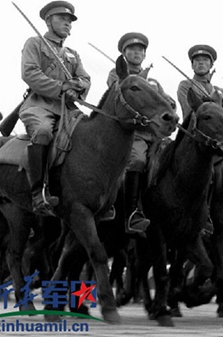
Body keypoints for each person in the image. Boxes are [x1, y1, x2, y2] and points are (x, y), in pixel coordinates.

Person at [19, 1, 90, 217]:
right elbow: (29, 73)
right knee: (42, 131)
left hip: (67, 109)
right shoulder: (35, 43)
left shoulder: (72, 53)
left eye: (69, 21)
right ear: (48, 21)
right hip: (40, 105)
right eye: (62, 19)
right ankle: (38, 193)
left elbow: (85, 78)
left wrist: (77, 89)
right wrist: (61, 87)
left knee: (92, 132)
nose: (67, 24)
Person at [106, 32, 175, 235]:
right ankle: (132, 214)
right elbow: (119, 97)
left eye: (140, 50)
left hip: (155, 136)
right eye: (132, 49)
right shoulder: (118, 74)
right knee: (137, 161)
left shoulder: (151, 81)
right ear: (124, 53)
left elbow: (168, 102)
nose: (137, 53)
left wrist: (165, 104)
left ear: (144, 55)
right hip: (132, 133)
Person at [176, 44, 223, 125]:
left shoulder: (219, 91)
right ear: (192, 65)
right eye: (197, 60)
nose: (201, 63)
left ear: (211, 65)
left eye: (205, 60)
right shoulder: (186, 85)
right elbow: (189, 112)